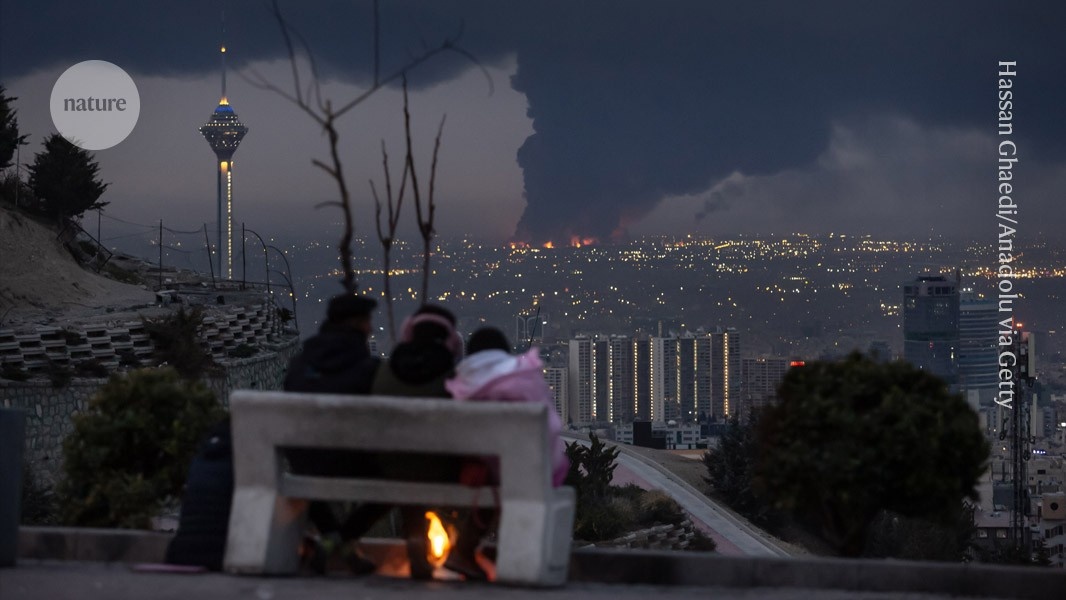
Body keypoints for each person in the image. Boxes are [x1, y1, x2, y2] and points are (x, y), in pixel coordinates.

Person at [440, 327, 569, 579]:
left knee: (495, 474)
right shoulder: (523, 380)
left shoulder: (461, 383)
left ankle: (463, 550)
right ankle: (507, 557)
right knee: (506, 478)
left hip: (458, 470)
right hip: (516, 472)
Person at [283, 293, 381, 574]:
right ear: (359, 325)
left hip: (302, 463)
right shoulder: (367, 368)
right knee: (398, 476)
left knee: (310, 468)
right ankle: (346, 538)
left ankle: (330, 537)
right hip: (351, 463)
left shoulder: (299, 364)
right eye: (367, 322)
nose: (371, 328)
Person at [367, 304, 465, 579]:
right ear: (451, 341)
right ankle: (459, 551)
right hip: (440, 470)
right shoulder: (452, 378)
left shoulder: (386, 371)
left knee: (408, 466)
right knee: (423, 465)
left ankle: (416, 548)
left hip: (387, 466)